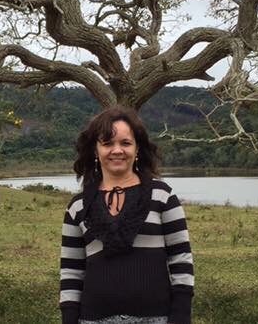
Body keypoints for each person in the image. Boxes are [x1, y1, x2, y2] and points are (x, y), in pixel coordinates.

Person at [59, 106, 194, 324]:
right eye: (107, 143)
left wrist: (180, 316)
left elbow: (181, 260)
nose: (117, 150)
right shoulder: (77, 207)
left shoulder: (162, 196)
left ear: (137, 148)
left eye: (125, 143)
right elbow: (71, 272)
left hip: (157, 319)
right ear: (95, 150)